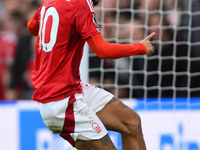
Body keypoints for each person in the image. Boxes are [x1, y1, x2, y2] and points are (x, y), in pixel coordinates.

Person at [27, 0, 155, 149]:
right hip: (61, 101)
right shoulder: (81, 3)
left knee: (131, 122)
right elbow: (103, 50)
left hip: (71, 90)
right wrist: (140, 47)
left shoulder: (50, 2)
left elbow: (31, 26)